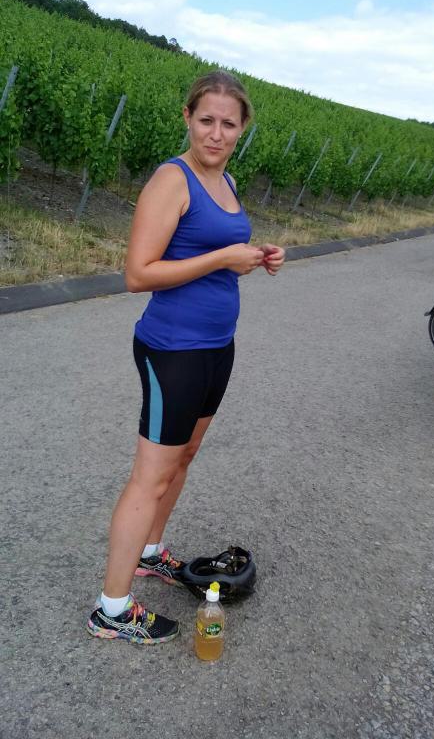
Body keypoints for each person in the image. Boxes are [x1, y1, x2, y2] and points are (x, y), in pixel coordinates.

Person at [87, 70, 285, 645]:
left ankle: (150, 553)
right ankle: (112, 609)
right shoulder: (172, 180)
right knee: (150, 476)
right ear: (188, 118)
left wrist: (257, 256)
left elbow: (213, 252)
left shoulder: (226, 181)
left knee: (184, 456)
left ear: (242, 128)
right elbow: (138, 273)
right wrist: (223, 257)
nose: (216, 133)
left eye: (229, 124)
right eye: (206, 120)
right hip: (172, 349)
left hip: (216, 346)